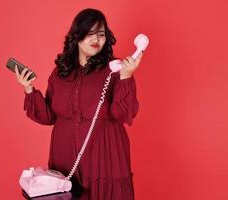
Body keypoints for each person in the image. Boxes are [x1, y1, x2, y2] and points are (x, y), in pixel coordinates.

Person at [15, 8, 143, 200]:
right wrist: (29, 89)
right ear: (77, 35)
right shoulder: (61, 72)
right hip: (65, 154)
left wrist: (126, 77)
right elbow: (49, 115)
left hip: (103, 153)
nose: (96, 40)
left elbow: (123, 114)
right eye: (90, 34)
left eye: (101, 34)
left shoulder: (114, 70)